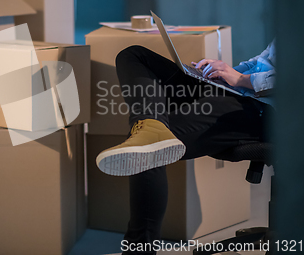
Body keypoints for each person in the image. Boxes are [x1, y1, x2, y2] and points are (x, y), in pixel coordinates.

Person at [95, 40, 275, 255]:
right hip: (240, 91)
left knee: (147, 149)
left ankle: (139, 250)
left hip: (266, 110)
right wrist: (225, 71)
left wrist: (243, 80)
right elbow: (263, 60)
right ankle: (151, 125)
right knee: (134, 55)